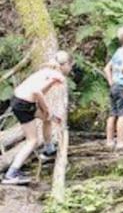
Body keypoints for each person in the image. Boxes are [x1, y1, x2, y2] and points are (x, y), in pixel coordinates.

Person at [2, 51, 72, 186]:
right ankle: (11, 174)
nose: (70, 70)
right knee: (32, 140)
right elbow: (36, 92)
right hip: (24, 104)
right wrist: (46, 109)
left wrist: (48, 114)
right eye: (71, 66)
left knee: (48, 119)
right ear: (66, 65)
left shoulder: (48, 71)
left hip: (21, 101)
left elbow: (40, 91)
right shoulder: (57, 75)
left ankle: (48, 149)